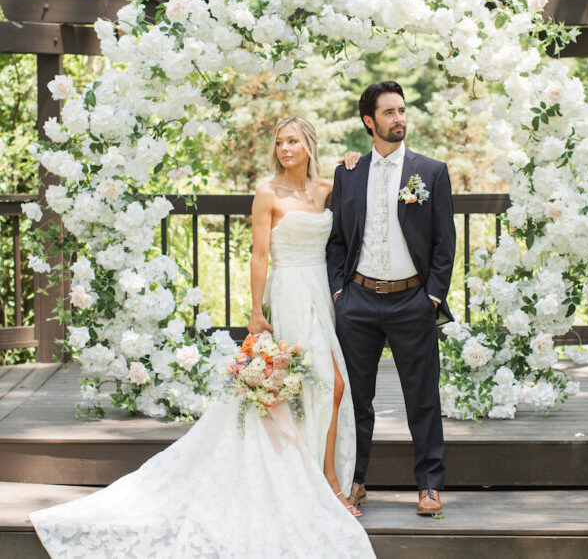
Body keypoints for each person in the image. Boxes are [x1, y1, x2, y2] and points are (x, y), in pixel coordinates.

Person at [30, 116, 375, 558]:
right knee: (319, 384)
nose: (285, 148)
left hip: (319, 296)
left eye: (292, 141)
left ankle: (322, 476)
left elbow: (366, 181)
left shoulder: (328, 189)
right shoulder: (267, 193)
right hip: (288, 291)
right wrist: (255, 312)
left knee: (331, 386)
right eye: (279, 142)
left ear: (309, 144)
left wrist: (352, 162)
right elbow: (259, 255)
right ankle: (325, 482)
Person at [327, 81, 456, 516]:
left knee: (422, 397)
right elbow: (337, 241)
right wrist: (339, 293)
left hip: (412, 301)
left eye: (402, 110)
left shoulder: (431, 172)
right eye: (389, 112)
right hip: (358, 301)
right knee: (355, 399)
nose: (399, 118)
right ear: (370, 121)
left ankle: (430, 486)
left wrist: (433, 298)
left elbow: (444, 243)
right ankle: (354, 480)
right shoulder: (348, 172)